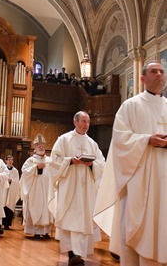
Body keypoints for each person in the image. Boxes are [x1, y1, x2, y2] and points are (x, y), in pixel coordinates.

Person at [94, 61, 167, 265]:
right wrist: (146, 140)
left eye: (162, 71)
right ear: (143, 79)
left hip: (165, 182)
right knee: (135, 228)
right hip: (138, 180)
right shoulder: (131, 106)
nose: (160, 74)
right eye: (154, 71)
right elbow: (119, 140)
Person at [48, 111, 105, 266]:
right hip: (70, 187)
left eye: (88, 122)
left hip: (86, 190)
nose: (86, 124)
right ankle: (72, 254)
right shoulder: (64, 140)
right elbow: (54, 161)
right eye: (83, 121)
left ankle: (79, 253)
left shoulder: (92, 143)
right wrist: (70, 161)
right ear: (75, 121)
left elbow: (101, 163)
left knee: (82, 219)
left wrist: (92, 164)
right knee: (70, 218)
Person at [20, 134, 54, 239]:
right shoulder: (30, 161)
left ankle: (45, 231)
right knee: (36, 207)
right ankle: (35, 231)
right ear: (35, 148)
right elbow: (24, 173)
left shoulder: (50, 160)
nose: (41, 148)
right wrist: (36, 168)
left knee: (46, 208)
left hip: (47, 189)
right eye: (38, 146)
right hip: (35, 190)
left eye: (42, 146)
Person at [2, 155, 20, 230]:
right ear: (6, 160)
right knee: (3, 205)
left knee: (9, 206)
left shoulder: (15, 171)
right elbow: (1, 178)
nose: (10, 161)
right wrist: (6, 180)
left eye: (11, 160)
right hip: (4, 191)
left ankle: (7, 224)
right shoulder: (3, 169)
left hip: (11, 191)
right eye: (9, 159)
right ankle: (1, 223)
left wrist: (12, 181)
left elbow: (17, 181)